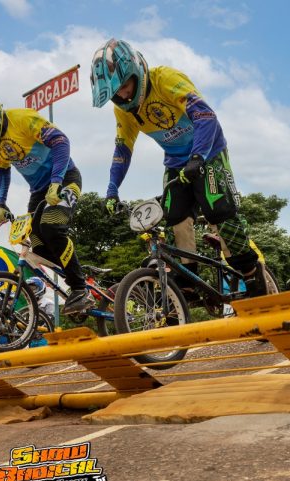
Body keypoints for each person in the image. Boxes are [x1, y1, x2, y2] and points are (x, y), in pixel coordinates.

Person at [90, 38, 267, 297]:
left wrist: (198, 157)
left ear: (137, 73)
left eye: (125, 86)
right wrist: (112, 189)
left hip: (208, 152)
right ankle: (186, 283)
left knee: (220, 212)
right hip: (175, 162)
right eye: (116, 93)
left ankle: (251, 275)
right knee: (174, 220)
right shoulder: (124, 111)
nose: (124, 96)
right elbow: (122, 150)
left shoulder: (166, 79)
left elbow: (206, 116)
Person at [0, 87, 94, 314]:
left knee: (52, 228)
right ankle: (78, 271)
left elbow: (61, 142)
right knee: (34, 245)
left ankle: (80, 289)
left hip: (64, 177)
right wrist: (1, 202)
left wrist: (56, 181)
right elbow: (2, 170)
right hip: (38, 190)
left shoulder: (23, 119)